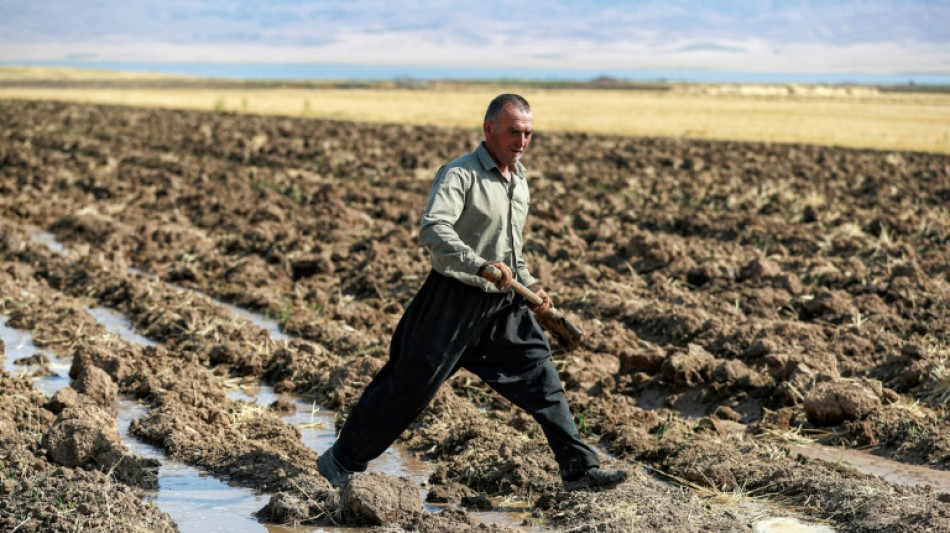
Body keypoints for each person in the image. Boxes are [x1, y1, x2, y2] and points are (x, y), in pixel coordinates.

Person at [317, 94, 628, 492]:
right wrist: (479, 264)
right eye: (513, 131)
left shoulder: (519, 182)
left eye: (528, 133)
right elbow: (434, 230)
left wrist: (531, 285)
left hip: (503, 304)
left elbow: (511, 251)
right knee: (408, 387)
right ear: (489, 130)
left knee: (542, 378)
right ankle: (341, 460)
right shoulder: (460, 175)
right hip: (451, 300)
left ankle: (580, 470)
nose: (522, 141)